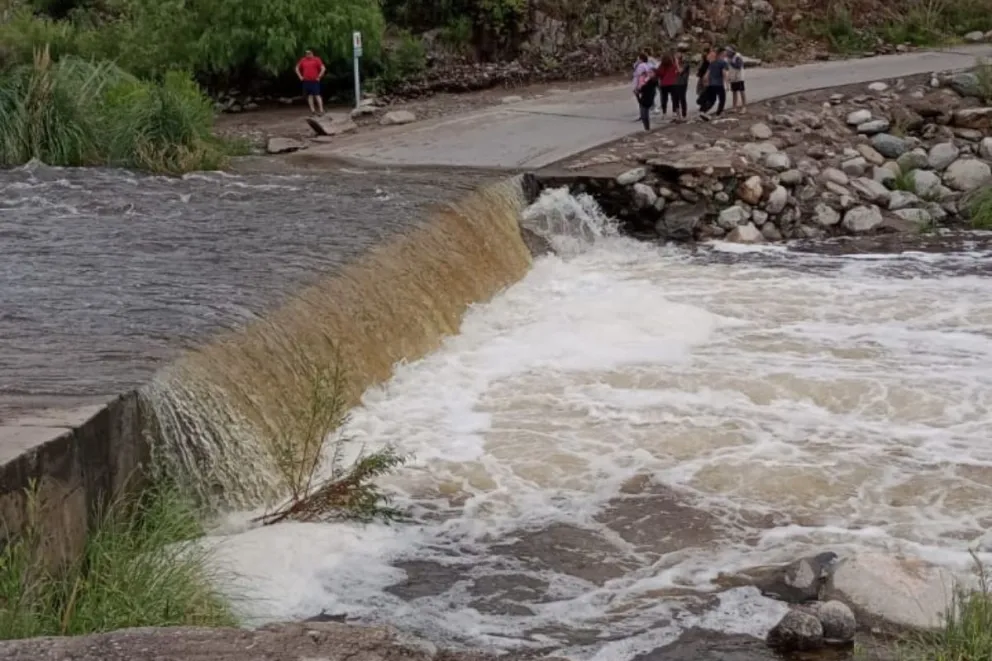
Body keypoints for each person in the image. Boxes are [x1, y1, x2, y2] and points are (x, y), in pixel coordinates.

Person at [632, 51, 658, 131]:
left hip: (644, 90)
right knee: (645, 105)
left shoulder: (642, 67)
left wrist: (637, 88)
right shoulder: (649, 65)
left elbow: (638, 75)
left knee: (643, 106)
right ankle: (647, 116)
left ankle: (646, 126)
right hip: (646, 91)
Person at [700, 48, 729, 118]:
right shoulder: (723, 62)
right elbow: (724, 73)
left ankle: (703, 111)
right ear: (721, 53)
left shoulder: (712, 63)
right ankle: (719, 114)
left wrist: (705, 83)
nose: (726, 54)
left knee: (712, 100)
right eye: (725, 53)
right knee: (722, 99)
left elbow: (706, 75)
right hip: (719, 84)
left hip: (711, 84)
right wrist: (727, 85)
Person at [295, 49, 326, 116]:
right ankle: (313, 111)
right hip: (306, 80)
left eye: (309, 53)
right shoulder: (303, 60)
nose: (308, 55)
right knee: (309, 96)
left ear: (312, 53)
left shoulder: (316, 59)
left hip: (314, 80)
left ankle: (321, 110)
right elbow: (297, 68)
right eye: (307, 53)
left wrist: (319, 76)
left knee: (317, 95)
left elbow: (323, 68)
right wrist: (300, 76)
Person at [657, 52, 680, 120]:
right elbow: (678, 72)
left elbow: (659, 74)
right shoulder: (673, 66)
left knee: (664, 99)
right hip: (673, 84)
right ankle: (674, 113)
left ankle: (664, 114)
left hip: (664, 84)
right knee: (674, 98)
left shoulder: (661, 66)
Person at [726, 46, 747, 113]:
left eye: (728, 51)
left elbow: (739, 66)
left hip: (739, 77)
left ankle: (744, 107)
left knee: (741, 91)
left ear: (732, 51)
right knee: (734, 92)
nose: (727, 52)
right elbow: (729, 68)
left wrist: (731, 62)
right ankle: (734, 107)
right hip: (733, 77)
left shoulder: (737, 56)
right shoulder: (728, 57)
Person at [673, 51, 690, 121]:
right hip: (674, 83)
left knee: (682, 98)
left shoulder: (685, 63)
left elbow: (680, 71)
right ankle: (678, 115)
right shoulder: (674, 64)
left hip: (682, 83)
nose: (676, 56)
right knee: (675, 99)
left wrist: (677, 63)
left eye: (678, 54)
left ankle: (684, 115)